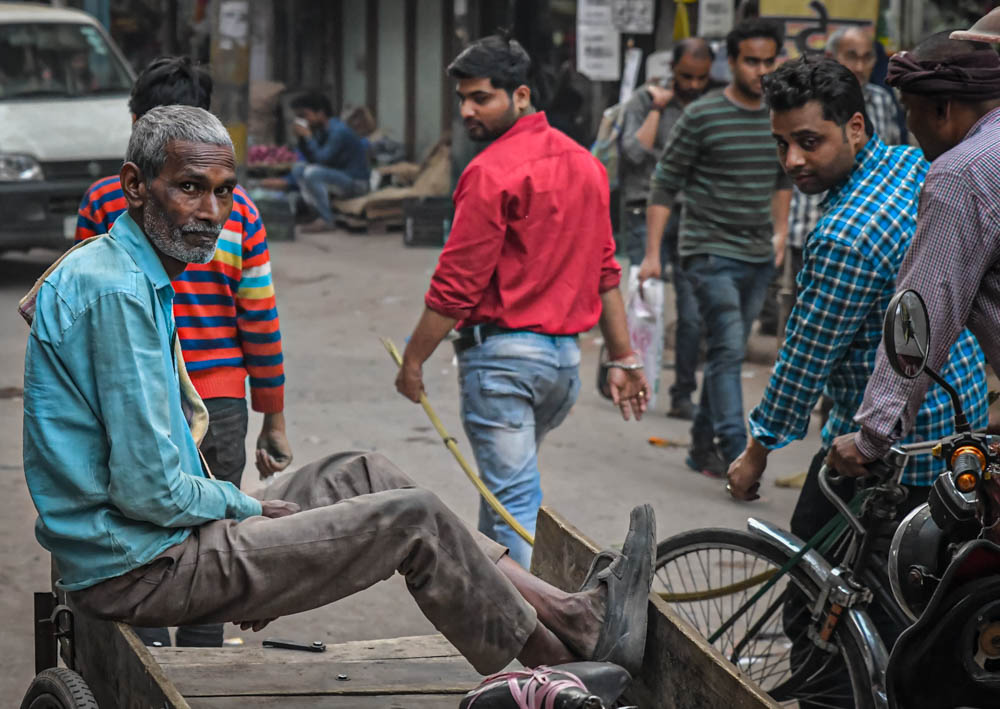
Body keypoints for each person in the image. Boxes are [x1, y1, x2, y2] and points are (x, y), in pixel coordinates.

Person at [22, 104, 656, 680]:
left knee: (365, 472)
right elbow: (147, 490)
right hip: (139, 565)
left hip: (165, 537)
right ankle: (559, 669)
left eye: (222, 192)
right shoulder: (117, 292)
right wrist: (243, 513)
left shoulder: (126, 270)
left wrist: (253, 526)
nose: (211, 213)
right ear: (136, 186)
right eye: (190, 189)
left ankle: (572, 616)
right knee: (415, 520)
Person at [395, 35, 648, 569]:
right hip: (562, 367)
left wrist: (414, 359)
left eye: (481, 97)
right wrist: (624, 357)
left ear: (522, 95)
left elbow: (456, 287)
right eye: (462, 98)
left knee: (513, 507)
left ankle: (535, 631)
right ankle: (497, 618)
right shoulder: (585, 165)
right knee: (507, 499)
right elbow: (606, 271)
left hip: (504, 366)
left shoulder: (490, 173)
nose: (467, 109)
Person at [725, 55, 986, 566]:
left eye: (809, 141)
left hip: (889, 451)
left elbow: (805, 359)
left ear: (856, 128)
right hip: (956, 425)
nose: (793, 160)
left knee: (816, 599)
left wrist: (757, 453)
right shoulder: (910, 164)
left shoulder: (847, 236)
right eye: (782, 144)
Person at [74, 56, 292, 648]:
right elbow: (259, 321)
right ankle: (187, 668)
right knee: (205, 542)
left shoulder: (104, 201)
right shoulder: (240, 208)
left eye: (214, 189)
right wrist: (272, 415)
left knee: (180, 538)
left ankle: (159, 669)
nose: (209, 208)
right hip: (183, 399)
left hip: (168, 399)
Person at [828, 33, 1000, 476]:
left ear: (942, 108)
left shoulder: (962, 174)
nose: (908, 123)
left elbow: (922, 311)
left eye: (909, 109)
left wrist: (873, 436)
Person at [639, 18, 792, 477]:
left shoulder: (779, 116)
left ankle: (700, 445)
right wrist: (651, 254)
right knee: (727, 349)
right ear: (732, 62)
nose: (760, 70)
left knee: (728, 349)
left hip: (758, 256)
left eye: (768, 61)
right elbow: (664, 183)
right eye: (751, 61)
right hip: (707, 252)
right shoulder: (702, 114)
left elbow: (782, 177)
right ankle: (733, 447)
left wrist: (780, 232)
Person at [759, 25, 904, 338]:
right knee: (807, 323)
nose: (861, 66)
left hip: (867, 231)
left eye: (868, 58)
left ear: (856, 127)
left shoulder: (884, 103)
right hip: (807, 222)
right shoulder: (792, 109)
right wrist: (781, 229)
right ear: (832, 56)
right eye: (852, 56)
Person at [619, 38, 714, 421]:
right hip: (645, 210)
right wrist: (658, 109)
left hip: (692, 217)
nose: (692, 85)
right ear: (672, 69)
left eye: (701, 78)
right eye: (686, 76)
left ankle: (682, 393)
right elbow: (634, 152)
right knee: (643, 304)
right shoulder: (646, 99)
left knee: (691, 314)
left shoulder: (710, 106)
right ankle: (623, 371)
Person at [286, 91, 370, 232]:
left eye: (305, 115)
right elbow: (311, 158)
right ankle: (315, 214)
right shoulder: (321, 130)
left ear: (320, 113)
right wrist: (301, 139)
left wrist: (308, 137)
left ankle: (326, 220)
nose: (303, 121)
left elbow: (322, 159)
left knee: (312, 173)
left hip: (357, 183)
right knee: (299, 169)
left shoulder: (338, 131)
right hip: (338, 178)